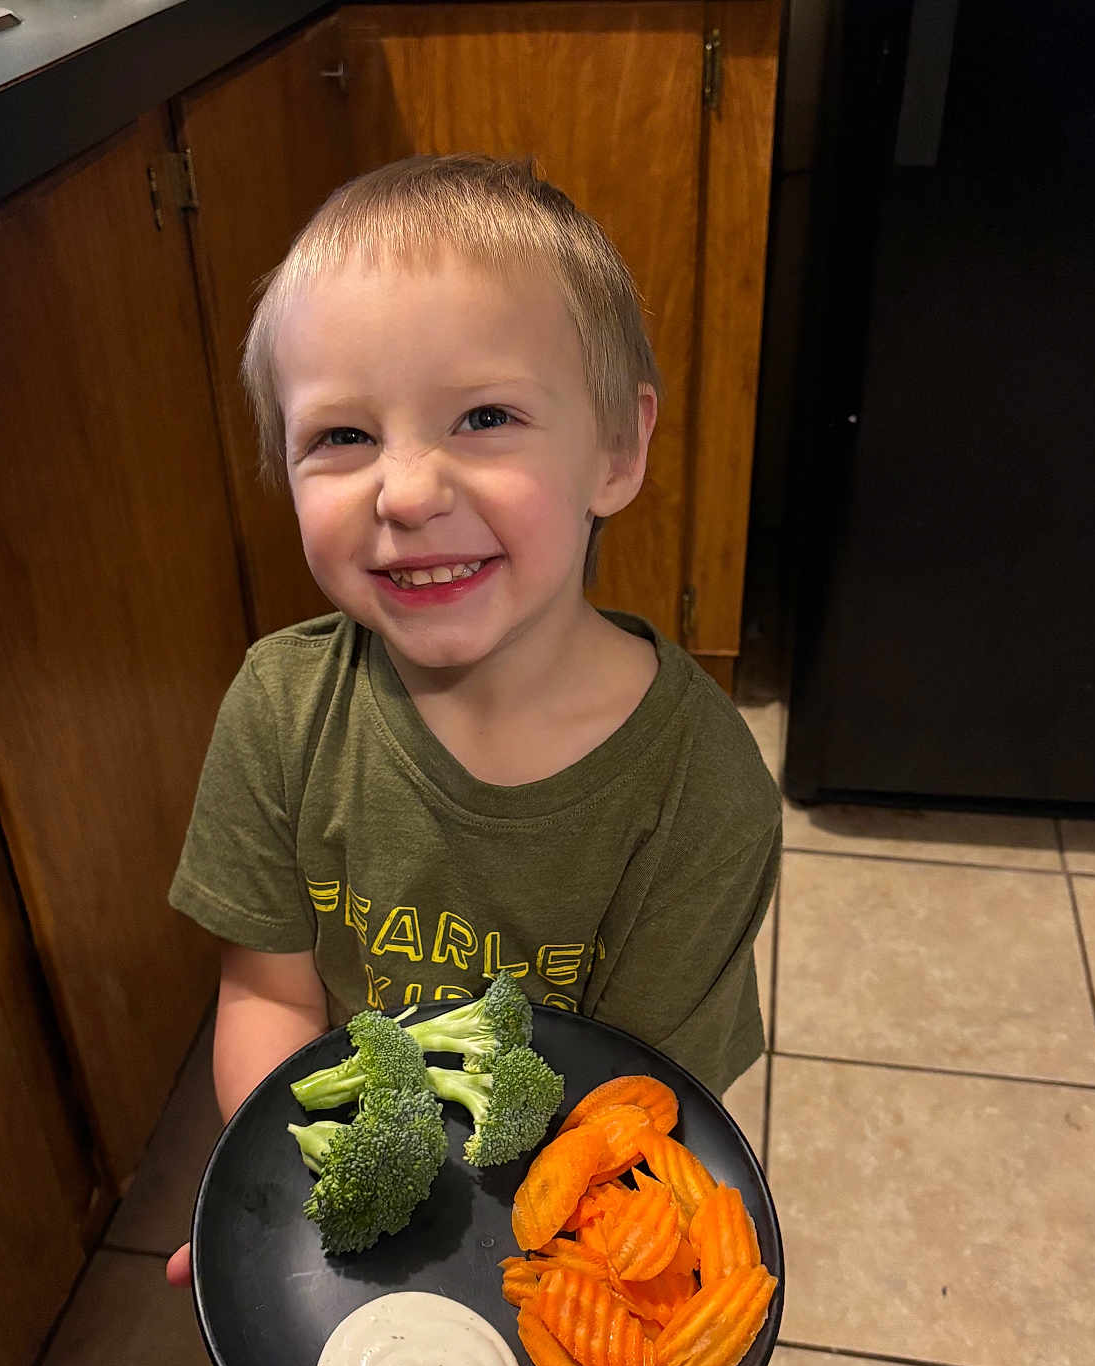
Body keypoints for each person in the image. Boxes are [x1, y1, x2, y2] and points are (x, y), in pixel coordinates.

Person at [164, 154, 780, 1286]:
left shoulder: (702, 790)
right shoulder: (280, 709)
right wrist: (286, 1182)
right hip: (382, 1171)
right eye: (341, 438)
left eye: (484, 415)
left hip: (574, 1209)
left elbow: (647, 1106)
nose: (404, 492)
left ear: (617, 449)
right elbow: (268, 991)